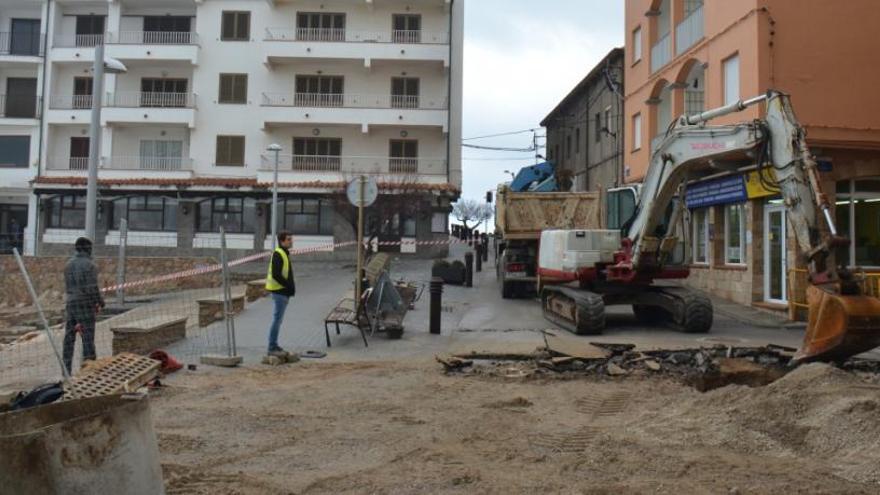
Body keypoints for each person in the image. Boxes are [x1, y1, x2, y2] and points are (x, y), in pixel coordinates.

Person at [63, 237, 105, 374]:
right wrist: (100, 302)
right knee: (88, 339)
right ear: (88, 249)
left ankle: (66, 371)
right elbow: (92, 288)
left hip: (71, 303)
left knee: (69, 338)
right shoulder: (90, 265)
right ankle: (89, 370)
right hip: (85, 304)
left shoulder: (68, 265)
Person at [265, 231, 295, 355]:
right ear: (282, 241)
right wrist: (288, 286)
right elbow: (276, 274)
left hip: (282, 292)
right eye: (289, 239)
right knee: (277, 320)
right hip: (279, 292)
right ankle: (272, 346)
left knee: (278, 320)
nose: (291, 241)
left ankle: (274, 345)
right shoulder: (279, 254)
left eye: (291, 239)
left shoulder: (284, 253)